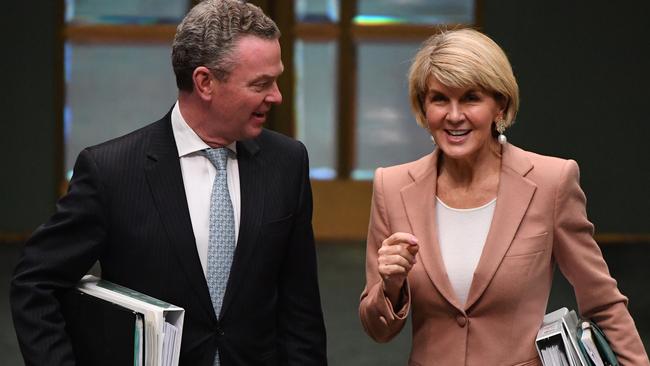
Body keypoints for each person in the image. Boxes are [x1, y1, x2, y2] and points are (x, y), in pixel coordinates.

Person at [11, 1, 327, 365]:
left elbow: (301, 311)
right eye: (261, 84)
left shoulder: (287, 163)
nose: (276, 96)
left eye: (276, 79)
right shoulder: (111, 171)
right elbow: (35, 284)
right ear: (205, 82)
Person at [359, 28, 649, 365]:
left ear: (500, 104)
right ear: (424, 108)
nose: (454, 115)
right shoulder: (391, 187)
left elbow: (602, 302)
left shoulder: (551, 182)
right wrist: (391, 285)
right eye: (440, 98)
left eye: (471, 97)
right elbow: (377, 329)